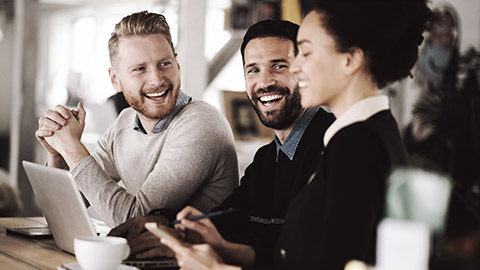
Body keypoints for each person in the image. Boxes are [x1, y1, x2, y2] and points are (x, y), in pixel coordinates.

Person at [160, 0, 431, 269]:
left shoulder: (357, 147)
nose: (297, 67)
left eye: (307, 53)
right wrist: (222, 247)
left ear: (350, 60)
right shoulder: (358, 137)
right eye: (253, 69)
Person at [109, 19, 334, 263]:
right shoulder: (268, 158)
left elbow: (310, 253)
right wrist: (166, 223)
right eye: (253, 70)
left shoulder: (334, 144)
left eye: (279, 66)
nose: (265, 82)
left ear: (304, 69)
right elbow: (231, 220)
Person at [34, 11, 239, 227]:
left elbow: (137, 221)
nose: (157, 80)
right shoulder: (126, 121)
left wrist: (72, 148)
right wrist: (58, 155)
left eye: (164, 64)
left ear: (177, 65)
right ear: (115, 79)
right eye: (140, 69)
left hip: (197, 259)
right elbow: (61, 211)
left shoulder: (201, 123)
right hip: (141, 258)